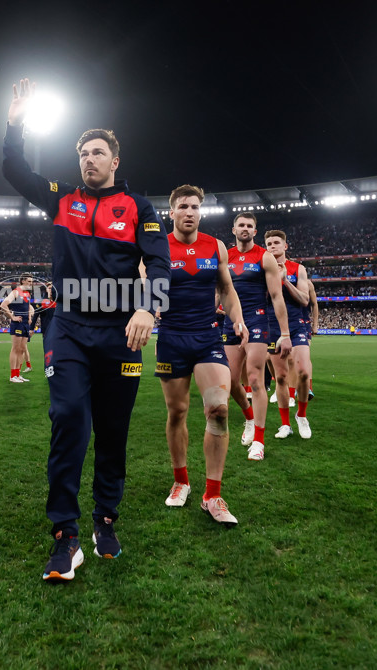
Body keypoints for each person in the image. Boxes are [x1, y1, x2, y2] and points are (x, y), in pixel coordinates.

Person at [3, 78, 170, 582]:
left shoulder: (140, 208)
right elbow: (15, 170)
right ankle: (65, 534)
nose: (88, 160)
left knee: (113, 431)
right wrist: (15, 124)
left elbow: (160, 267)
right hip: (69, 327)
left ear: (115, 160)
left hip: (121, 331)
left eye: (98, 152)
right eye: (82, 153)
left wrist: (148, 309)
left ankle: (106, 521)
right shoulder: (61, 198)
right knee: (69, 417)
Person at [155, 185, 247, 526]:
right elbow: (145, 284)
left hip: (208, 337)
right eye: (183, 206)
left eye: (195, 206)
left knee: (219, 410)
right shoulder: (158, 247)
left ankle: (213, 495)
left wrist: (237, 318)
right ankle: (181, 480)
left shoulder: (216, 246)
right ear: (172, 212)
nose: (190, 211)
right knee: (177, 411)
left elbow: (226, 289)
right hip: (171, 338)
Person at [222, 213, 292, 461]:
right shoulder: (225, 256)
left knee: (255, 378)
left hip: (257, 320)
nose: (245, 228)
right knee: (230, 382)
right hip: (230, 322)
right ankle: (249, 418)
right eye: (241, 225)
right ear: (233, 229)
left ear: (254, 231)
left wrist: (285, 333)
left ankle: (259, 442)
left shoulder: (265, 257)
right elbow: (215, 289)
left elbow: (277, 297)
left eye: (249, 226)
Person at [264, 230, 313, 440]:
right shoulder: (262, 270)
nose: (272, 246)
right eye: (268, 243)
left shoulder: (298, 268)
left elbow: (304, 300)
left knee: (302, 372)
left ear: (285, 246)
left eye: (276, 242)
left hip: (296, 325)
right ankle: (285, 424)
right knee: (281, 377)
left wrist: (285, 281)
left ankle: (301, 415)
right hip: (271, 326)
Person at [0, 273, 35, 383]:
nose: (31, 283)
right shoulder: (15, 292)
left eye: (32, 281)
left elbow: (28, 307)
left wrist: (29, 317)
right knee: (15, 349)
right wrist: (12, 317)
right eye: (29, 281)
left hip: (25, 323)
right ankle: (12, 376)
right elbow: (3, 305)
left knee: (21, 350)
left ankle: (18, 374)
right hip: (18, 323)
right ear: (23, 281)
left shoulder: (27, 294)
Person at [29, 281, 57, 355]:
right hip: (46, 330)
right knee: (47, 352)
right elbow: (36, 315)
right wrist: (31, 329)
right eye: (49, 288)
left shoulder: (59, 302)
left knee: (57, 352)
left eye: (52, 288)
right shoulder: (42, 302)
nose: (51, 290)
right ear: (46, 289)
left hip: (58, 330)